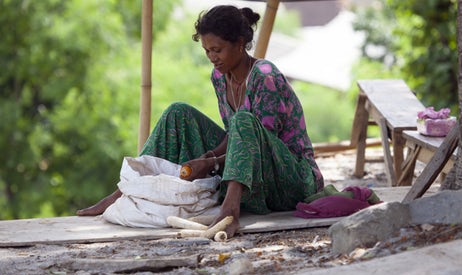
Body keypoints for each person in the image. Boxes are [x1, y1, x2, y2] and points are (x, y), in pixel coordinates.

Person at [77, 5, 324, 238]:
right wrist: (208, 157)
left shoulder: (264, 76)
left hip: (291, 179)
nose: (212, 57)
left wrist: (213, 164)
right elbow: (234, 134)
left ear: (239, 44)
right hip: (253, 170)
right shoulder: (220, 76)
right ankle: (124, 190)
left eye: (217, 50)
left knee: (243, 120)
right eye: (207, 51)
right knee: (178, 112)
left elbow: (255, 142)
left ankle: (230, 210)